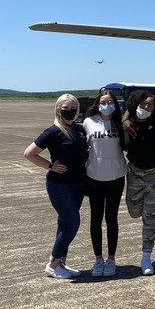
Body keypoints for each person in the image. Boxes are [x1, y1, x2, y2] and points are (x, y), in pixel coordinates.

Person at [23, 94, 88, 279]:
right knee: (72, 224)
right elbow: (29, 153)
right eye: (66, 108)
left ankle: (61, 263)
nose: (70, 111)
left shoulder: (79, 129)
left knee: (64, 223)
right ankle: (52, 265)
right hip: (60, 185)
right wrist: (50, 166)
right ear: (58, 109)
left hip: (78, 184)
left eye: (73, 108)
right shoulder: (53, 131)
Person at [122, 90, 155, 276]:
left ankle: (146, 256)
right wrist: (125, 119)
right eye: (143, 104)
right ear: (135, 104)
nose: (146, 107)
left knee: (150, 215)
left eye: (150, 105)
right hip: (135, 173)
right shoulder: (126, 123)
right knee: (134, 211)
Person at [83, 89, 127, 278]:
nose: (106, 105)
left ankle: (111, 259)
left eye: (110, 102)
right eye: (103, 102)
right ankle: (98, 259)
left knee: (111, 218)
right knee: (96, 219)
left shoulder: (120, 122)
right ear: (97, 104)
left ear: (115, 104)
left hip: (116, 176)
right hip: (94, 177)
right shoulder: (88, 122)